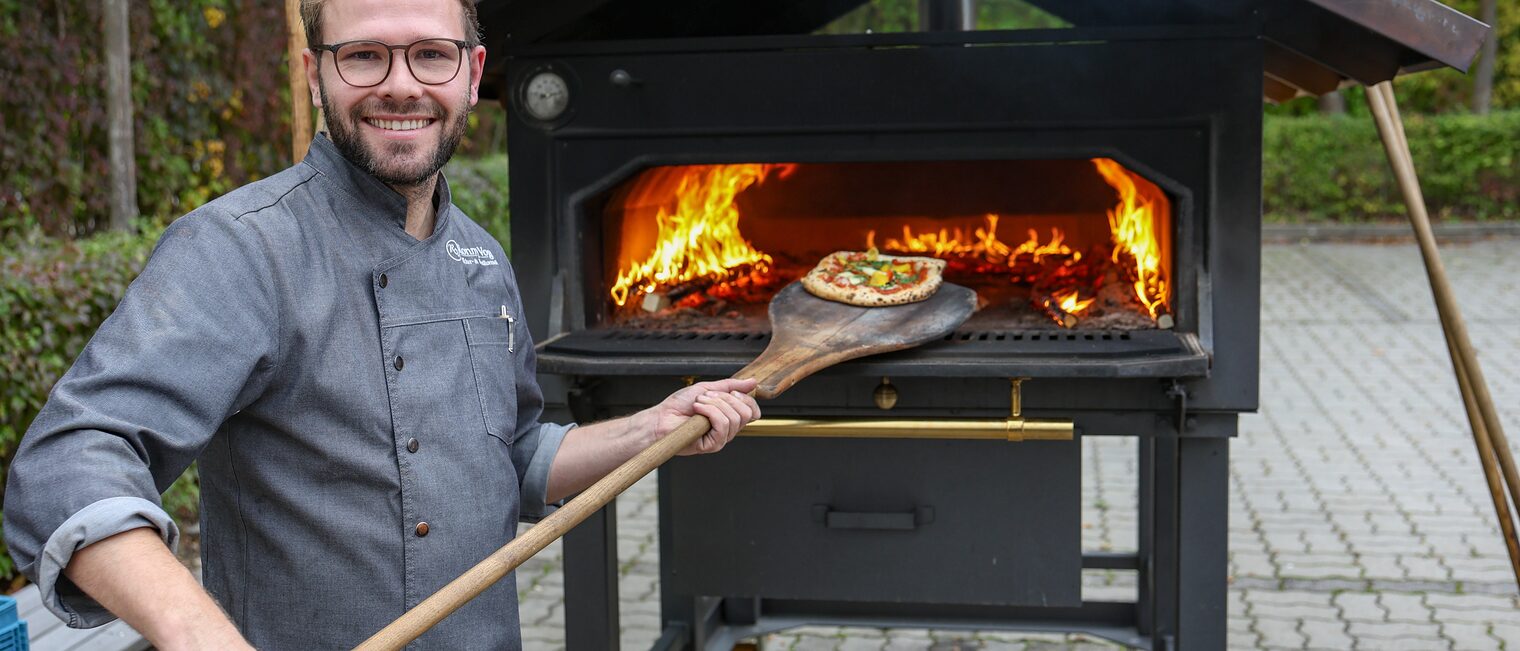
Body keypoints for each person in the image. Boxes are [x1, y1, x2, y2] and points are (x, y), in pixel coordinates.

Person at [1, 0, 761, 648]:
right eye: (363, 54)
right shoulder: (243, 249)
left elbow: (518, 455)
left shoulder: (481, 259)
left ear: (471, 72)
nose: (401, 85)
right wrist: (200, 635)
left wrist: (653, 425)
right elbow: (70, 462)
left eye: (431, 54)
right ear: (314, 73)